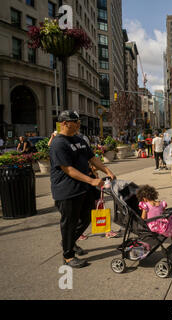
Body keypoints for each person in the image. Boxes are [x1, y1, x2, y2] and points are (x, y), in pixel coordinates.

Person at [50, 110, 116, 268]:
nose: (79, 124)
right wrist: (92, 181)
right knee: (69, 223)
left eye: (79, 121)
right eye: (75, 122)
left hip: (83, 188)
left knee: (86, 218)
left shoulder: (79, 139)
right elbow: (68, 169)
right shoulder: (58, 143)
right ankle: (68, 256)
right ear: (65, 123)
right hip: (66, 190)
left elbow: (92, 158)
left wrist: (107, 171)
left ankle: (69, 241)